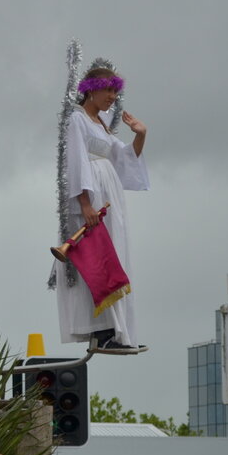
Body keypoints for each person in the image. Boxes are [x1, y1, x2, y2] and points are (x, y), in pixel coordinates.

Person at [53, 63, 149, 352]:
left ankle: (119, 331)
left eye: (115, 92)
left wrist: (140, 134)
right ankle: (102, 330)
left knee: (114, 254)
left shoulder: (101, 124)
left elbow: (122, 157)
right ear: (92, 90)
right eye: (108, 90)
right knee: (98, 258)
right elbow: (76, 161)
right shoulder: (78, 120)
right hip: (92, 193)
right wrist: (84, 202)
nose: (112, 97)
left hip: (109, 192)